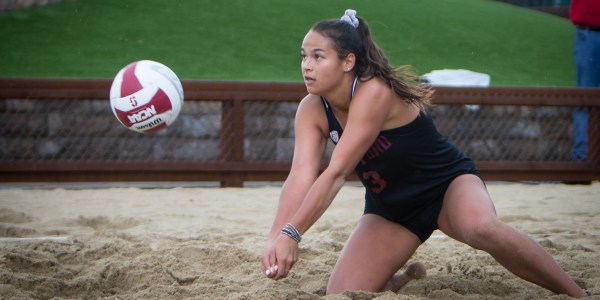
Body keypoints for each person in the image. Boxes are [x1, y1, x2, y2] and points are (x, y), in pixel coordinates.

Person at [260, 9, 588, 297]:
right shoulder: (311, 109)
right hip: (392, 210)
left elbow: (335, 172)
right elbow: (300, 176)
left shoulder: (374, 90)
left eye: (318, 56)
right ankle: (401, 279)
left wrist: (293, 233)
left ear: (348, 61)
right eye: (304, 56)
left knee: (484, 228)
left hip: (446, 189)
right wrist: (276, 239)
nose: (307, 66)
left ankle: (577, 294)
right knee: (343, 292)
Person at [570, 0, 600, 161]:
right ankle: (582, 156)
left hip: (589, 35)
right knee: (585, 99)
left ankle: (583, 155)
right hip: (588, 32)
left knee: (585, 99)